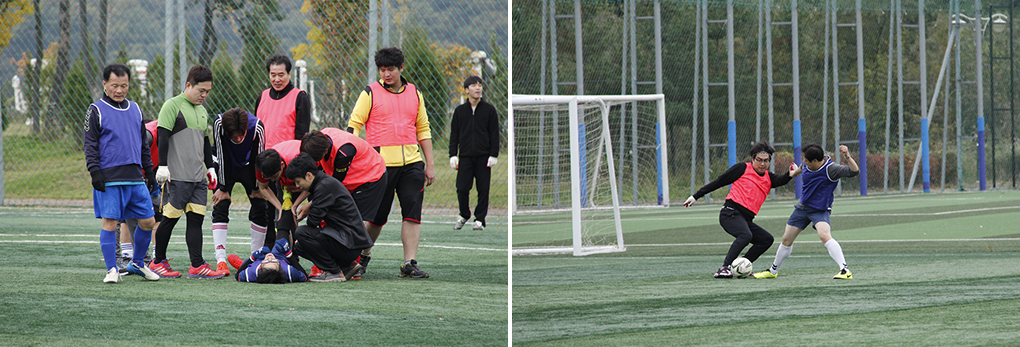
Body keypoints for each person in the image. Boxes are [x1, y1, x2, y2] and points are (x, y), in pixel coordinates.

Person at [347, 47, 435, 279]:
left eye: (391, 69)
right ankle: (362, 256)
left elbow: (423, 129)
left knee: (412, 214)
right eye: (382, 69)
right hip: (379, 167)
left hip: (412, 164)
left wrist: (430, 163)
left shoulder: (415, 93)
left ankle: (409, 263)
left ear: (401, 68)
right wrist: (354, 157)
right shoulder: (370, 92)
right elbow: (354, 125)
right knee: (377, 218)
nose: (386, 74)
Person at [83, 63, 160, 283]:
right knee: (110, 223)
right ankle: (112, 270)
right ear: (104, 84)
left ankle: (137, 263)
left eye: (124, 85)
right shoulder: (95, 110)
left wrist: (150, 172)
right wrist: (95, 172)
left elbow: (143, 144)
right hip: (110, 179)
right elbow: (90, 145)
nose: (119, 90)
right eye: (115, 85)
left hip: (135, 178)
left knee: (148, 221)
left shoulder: (135, 109)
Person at [682, 141, 802, 278]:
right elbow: (719, 181)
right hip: (730, 213)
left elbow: (781, 180)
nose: (762, 164)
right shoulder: (742, 168)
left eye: (766, 161)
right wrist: (696, 196)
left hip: (745, 218)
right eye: (759, 160)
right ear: (753, 159)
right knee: (746, 235)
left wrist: (792, 173)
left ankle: (741, 266)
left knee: (766, 239)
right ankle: (724, 268)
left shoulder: (769, 177)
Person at [151, 65, 227, 279]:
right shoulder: (172, 106)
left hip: (197, 178)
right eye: (201, 90)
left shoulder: (202, 111)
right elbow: (162, 137)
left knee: (196, 221)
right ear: (188, 85)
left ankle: (197, 265)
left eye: (208, 91)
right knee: (169, 219)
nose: (204, 95)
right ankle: (158, 262)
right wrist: (163, 166)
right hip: (177, 177)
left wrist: (210, 168)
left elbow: (205, 143)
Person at [754, 144, 859, 280]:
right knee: (786, 239)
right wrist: (792, 173)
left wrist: (847, 156)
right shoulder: (806, 165)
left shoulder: (831, 169)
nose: (805, 163)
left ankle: (845, 270)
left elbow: (855, 171)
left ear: (815, 161)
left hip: (820, 210)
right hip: (802, 208)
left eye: (807, 161)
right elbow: (799, 170)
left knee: (824, 235)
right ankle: (773, 271)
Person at [300, 128, 386, 279]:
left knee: (351, 220)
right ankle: (331, 265)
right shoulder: (316, 140)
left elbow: (332, 185)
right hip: (346, 179)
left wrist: (312, 204)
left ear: (325, 150)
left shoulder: (344, 152)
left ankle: (354, 266)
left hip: (368, 177)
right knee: (326, 214)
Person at [254, 53, 311, 258]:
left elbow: (302, 134)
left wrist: (296, 168)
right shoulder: (262, 96)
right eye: (272, 75)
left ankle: (293, 253)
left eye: (281, 74)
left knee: (287, 212)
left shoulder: (299, 96)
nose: (277, 79)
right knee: (267, 210)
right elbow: (256, 130)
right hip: (265, 164)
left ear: (289, 74)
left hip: (288, 166)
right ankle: (269, 252)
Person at [286, 153, 373, 282]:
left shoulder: (323, 186)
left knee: (301, 233)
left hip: (349, 244)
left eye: (298, 182)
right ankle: (346, 267)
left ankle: (334, 272)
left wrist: (301, 236)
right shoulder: (325, 183)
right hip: (349, 242)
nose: (298, 186)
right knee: (300, 246)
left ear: (309, 175)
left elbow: (313, 221)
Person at [210, 108, 269, 275]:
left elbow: (259, 157)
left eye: (241, 135)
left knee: (260, 204)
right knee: (220, 204)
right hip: (225, 164)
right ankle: (221, 260)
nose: (237, 139)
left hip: (249, 165)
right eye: (233, 136)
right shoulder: (219, 123)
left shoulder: (257, 127)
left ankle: (255, 258)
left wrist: (257, 188)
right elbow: (221, 155)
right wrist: (223, 188)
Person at [448, 75, 500, 231]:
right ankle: (464, 214)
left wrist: (493, 155)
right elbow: (454, 135)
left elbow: (494, 134)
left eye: (479, 85)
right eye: (474, 85)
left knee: (483, 188)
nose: (478, 88)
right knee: (462, 188)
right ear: (466, 90)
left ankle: (480, 219)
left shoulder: (489, 110)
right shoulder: (459, 111)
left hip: (484, 157)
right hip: (465, 157)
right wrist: (453, 154)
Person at [254, 139, 309, 272]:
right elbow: (264, 188)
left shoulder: (298, 161)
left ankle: (321, 265)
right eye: (269, 178)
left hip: (311, 178)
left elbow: (314, 184)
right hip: (290, 177)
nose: (273, 180)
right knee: (283, 217)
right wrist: (280, 207)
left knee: (317, 216)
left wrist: (296, 204)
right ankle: (288, 258)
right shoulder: (262, 167)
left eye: (274, 176)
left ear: (282, 166)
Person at [231, 238, 307, 284]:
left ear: (261, 266)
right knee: (281, 242)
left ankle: (243, 264)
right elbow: (305, 276)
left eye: (267, 262)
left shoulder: (252, 272)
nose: (270, 258)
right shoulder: (288, 271)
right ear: (279, 265)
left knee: (231, 257)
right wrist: (289, 254)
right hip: (280, 258)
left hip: (258, 260)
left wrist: (252, 258)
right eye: (273, 262)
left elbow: (237, 276)